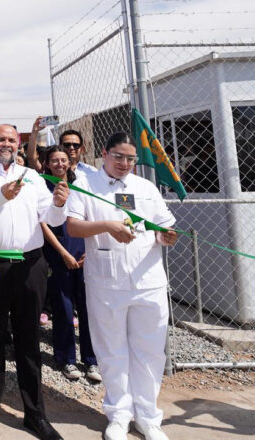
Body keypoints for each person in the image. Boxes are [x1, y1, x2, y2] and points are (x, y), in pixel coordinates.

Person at [66, 132, 178, 440]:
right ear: (104, 153)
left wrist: (167, 236)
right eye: (118, 157)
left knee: (150, 350)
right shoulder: (86, 186)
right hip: (106, 280)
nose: (124, 164)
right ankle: (118, 415)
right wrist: (107, 227)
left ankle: (148, 417)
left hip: (148, 280)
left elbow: (164, 226)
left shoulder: (146, 187)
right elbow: (73, 225)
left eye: (130, 159)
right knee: (111, 349)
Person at [0, 124, 69, 440]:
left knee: (29, 340)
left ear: (18, 143)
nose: (5, 143)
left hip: (31, 265)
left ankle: (35, 415)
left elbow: (50, 218)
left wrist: (60, 203)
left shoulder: (32, 175)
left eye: (11, 139)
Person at [40, 146, 100, 383]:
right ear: (47, 163)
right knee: (64, 311)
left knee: (88, 310)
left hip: (84, 254)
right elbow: (43, 224)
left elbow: (90, 218)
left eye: (63, 159)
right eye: (54, 160)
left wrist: (88, 250)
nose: (60, 164)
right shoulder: (43, 187)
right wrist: (63, 253)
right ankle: (66, 359)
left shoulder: (82, 186)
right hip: (59, 254)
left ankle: (91, 360)